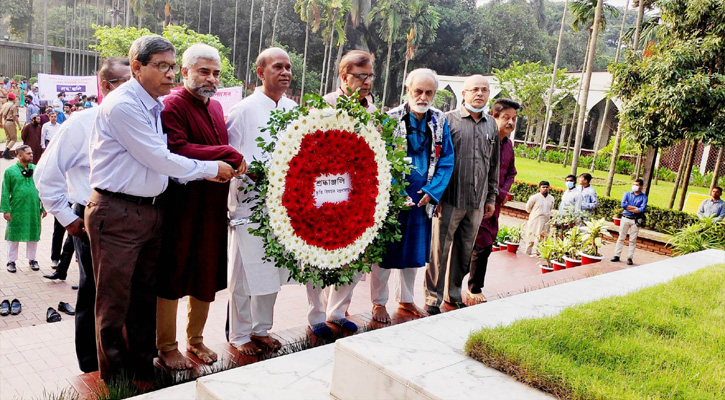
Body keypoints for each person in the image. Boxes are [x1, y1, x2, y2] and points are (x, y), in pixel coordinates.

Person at [85, 35, 236, 382]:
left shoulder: (152, 103)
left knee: (142, 300)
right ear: (137, 68)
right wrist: (213, 169)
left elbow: (159, 163)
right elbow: (161, 158)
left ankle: (143, 369)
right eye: (163, 67)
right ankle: (118, 381)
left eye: (172, 66)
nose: (170, 74)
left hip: (149, 211)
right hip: (119, 212)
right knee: (114, 306)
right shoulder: (125, 105)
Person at [35, 57, 131, 373]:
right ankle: (92, 365)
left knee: (129, 295)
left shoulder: (142, 121)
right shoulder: (81, 124)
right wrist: (67, 218)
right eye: (125, 83)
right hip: (92, 219)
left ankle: (125, 359)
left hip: (134, 219)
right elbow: (46, 174)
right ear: (105, 86)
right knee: (95, 294)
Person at [155, 44, 246, 369]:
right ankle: (166, 345)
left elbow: (217, 150)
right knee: (173, 274)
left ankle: (196, 339)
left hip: (211, 208)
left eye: (216, 72)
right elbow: (176, 148)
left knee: (206, 272)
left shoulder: (217, 109)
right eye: (204, 71)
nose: (211, 78)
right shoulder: (172, 105)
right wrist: (226, 153)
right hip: (180, 207)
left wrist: (227, 155)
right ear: (185, 72)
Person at [226, 47, 295, 355]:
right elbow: (230, 156)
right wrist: (252, 174)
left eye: (288, 68)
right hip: (249, 203)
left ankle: (261, 329)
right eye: (277, 67)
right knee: (244, 271)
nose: (285, 72)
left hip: (283, 205)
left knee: (273, 269)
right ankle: (239, 335)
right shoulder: (243, 109)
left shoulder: (294, 110)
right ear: (260, 72)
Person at [371, 68, 454, 322]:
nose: (423, 96)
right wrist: (396, 192)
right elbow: (379, 159)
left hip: (422, 201)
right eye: (418, 91)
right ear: (408, 90)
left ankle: (406, 300)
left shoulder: (440, 121)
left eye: (429, 92)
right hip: (393, 200)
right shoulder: (390, 119)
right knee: (385, 254)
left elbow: (447, 160)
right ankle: (378, 303)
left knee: (413, 254)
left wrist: (432, 192)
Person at [306, 50, 377, 336]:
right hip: (326, 193)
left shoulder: (372, 110)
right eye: (361, 76)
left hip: (358, 197)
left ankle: (338, 310)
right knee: (318, 257)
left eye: (370, 76)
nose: (367, 81)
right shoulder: (325, 106)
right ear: (344, 76)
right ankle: (315, 316)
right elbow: (310, 148)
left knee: (354, 256)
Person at [427, 75, 499, 313]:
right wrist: (435, 196)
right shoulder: (447, 121)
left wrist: (491, 197)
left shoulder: (491, 125)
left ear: (489, 94)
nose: (479, 94)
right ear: (464, 94)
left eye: (484, 90)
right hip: (450, 199)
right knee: (440, 250)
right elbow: (435, 161)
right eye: (474, 90)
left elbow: (494, 165)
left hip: (477, 202)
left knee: (464, 251)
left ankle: (453, 293)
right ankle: (432, 298)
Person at [468, 98, 520, 305]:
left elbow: (511, 172)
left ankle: (474, 287)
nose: (510, 123)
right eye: (506, 117)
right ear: (494, 117)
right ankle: (455, 287)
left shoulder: (508, 146)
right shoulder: (483, 141)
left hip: (493, 206)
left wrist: (502, 192)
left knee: (485, 244)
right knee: (468, 245)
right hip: (473, 200)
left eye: (514, 119)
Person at [2, 145, 46, 273]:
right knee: (13, 235)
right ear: (19, 156)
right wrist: (6, 210)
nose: (31, 155)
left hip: (33, 208)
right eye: (28, 153)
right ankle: (11, 261)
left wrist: (43, 207)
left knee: (33, 233)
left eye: (31, 153)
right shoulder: (10, 171)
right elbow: (5, 191)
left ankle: (32, 259)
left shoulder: (36, 169)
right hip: (17, 208)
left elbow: (41, 189)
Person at [611, 179, 648, 265]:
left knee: (632, 240)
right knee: (621, 237)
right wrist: (635, 208)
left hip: (635, 220)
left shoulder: (644, 197)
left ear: (641, 186)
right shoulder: (627, 194)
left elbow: (642, 209)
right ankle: (617, 255)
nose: (634, 186)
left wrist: (629, 207)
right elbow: (623, 205)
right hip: (625, 218)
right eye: (634, 184)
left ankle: (630, 258)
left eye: (637, 185)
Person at [523, 181, 555, 255]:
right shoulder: (535, 197)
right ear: (539, 188)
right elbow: (528, 208)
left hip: (546, 221)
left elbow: (550, 208)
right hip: (535, 220)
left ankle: (539, 254)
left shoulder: (551, 198)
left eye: (547, 187)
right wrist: (535, 214)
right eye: (543, 187)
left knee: (543, 239)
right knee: (531, 238)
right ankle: (527, 253)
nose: (545, 189)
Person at [2, 92, 21, 159]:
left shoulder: (4, 105)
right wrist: (19, 125)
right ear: (13, 99)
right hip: (10, 122)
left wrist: (1, 123)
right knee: (14, 139)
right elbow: (15, 117)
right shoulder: (13, 106)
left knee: (8, 138)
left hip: (5, 121)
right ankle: (6, 151)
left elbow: (0, 114)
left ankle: (7, 153)